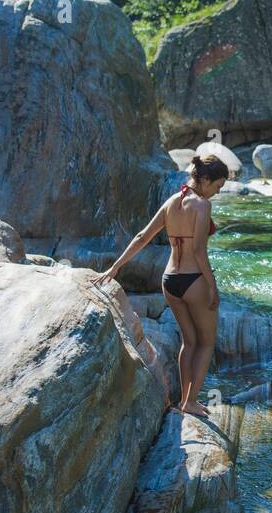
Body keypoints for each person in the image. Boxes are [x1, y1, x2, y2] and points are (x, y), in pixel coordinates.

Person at [91, 155, 229, 415]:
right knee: (207, 342)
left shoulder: (171, 202)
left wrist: (116, 266)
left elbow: (143, 236)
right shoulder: (201, 206)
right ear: (206, 180)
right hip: (193, 279)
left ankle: (184, 401)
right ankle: (189, 401)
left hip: (170, 281)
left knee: (189, 341)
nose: (217, 193)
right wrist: (213, 286)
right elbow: (199, 251)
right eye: (217, 186)